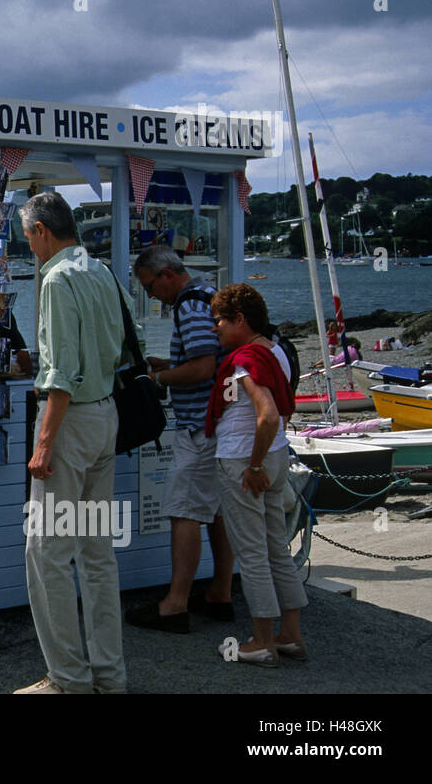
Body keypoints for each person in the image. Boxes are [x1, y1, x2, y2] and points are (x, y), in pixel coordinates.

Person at [14, 191, 128, 694]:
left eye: (28, 238)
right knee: (97, 553)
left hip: (72, 421)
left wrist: (44, 444)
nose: (29, 248)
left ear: (42, 231)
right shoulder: (99, 269)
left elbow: (59, 373)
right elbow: (124, 343)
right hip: (105, 416)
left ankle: (68, 679)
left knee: (47, 555)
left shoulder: (57, 278)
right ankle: (109, 675)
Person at [125, 246, 234, 633]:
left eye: (149, 286)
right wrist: (171, 364)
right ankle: (220, 593)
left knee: (184, 509)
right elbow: (211, 359)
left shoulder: (188, 306)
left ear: (167, 274)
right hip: (221, 423)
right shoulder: (209, 295)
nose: (150, 295)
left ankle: (175, 605)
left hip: (199, 425)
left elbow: (204, 367)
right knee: (217, 511)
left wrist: (160, 379)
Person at [206, 284, 307, 666]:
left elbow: (265, 413)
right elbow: (283, 410)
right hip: (277, 453)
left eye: (220, 320)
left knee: (250, 553)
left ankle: (262, 640)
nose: (215, 327)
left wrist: (254, 465)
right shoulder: (275, 350)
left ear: (239, 320)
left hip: (244, 459)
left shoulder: (245, 359)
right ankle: (291, 635)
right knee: (276, 548)